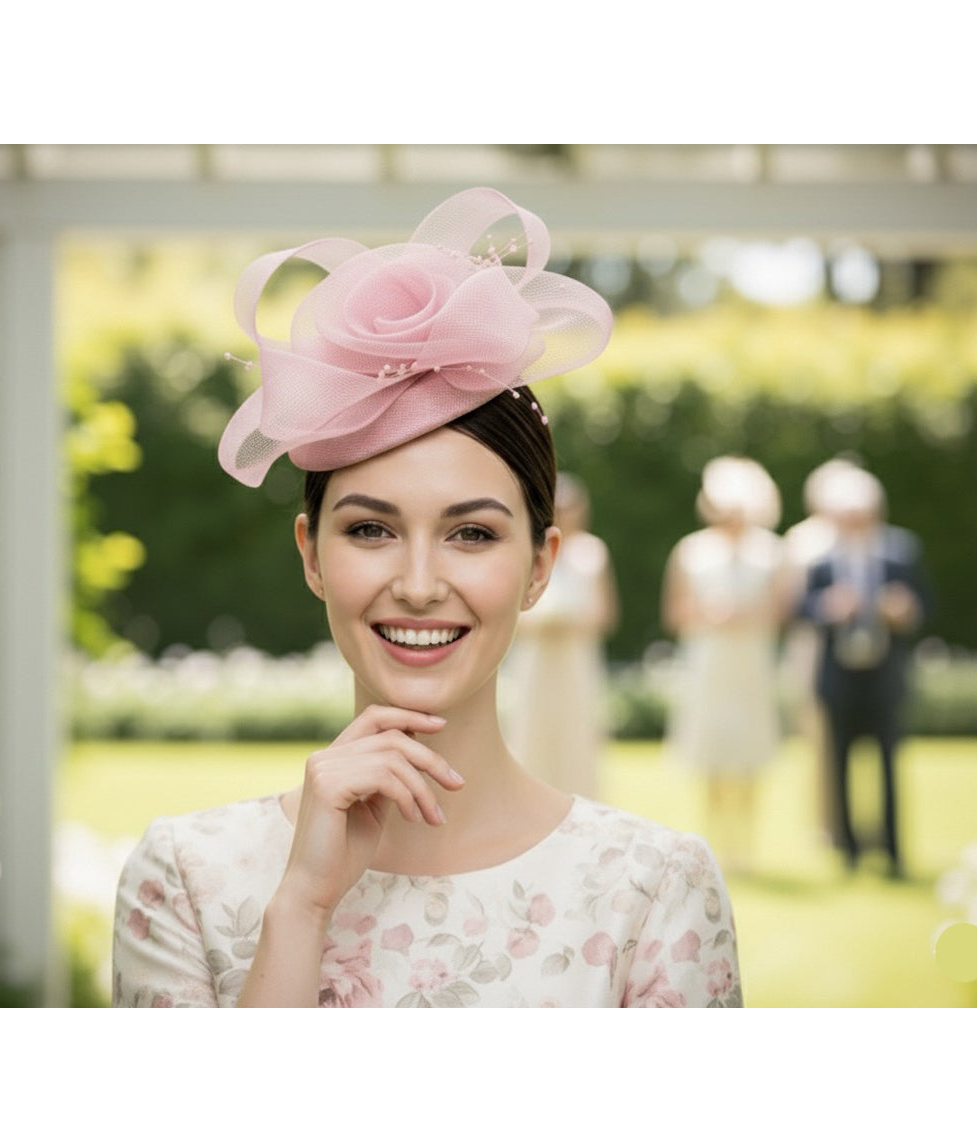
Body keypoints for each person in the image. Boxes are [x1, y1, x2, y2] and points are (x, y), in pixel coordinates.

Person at [111, 187, 742, 1008]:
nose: (416, 585)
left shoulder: (654, 893)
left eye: (471, 534)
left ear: (540, 565)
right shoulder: (186, 881)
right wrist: (299, 909)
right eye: (370, 531)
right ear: (310, 554)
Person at [661, 456, 791, 875]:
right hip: (708, 662)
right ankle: (715, 839)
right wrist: (709, 615)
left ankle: (746, 845)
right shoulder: (691, 549)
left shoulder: (771, 551)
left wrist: (746, 615)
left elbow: (782, 609)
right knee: (711, 752)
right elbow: (675, 611)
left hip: (751, 663)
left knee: (750, 751)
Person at [799, 465, 930, 879]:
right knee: (839, 763)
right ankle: (849, 850)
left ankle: (892, 850)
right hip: (838, 676)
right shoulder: (822, 561)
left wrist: (903, 611)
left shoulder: (900, 553)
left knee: (889, 764)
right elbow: (802, 609)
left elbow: (926, 604)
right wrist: (829, 608)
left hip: (884, 675)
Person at [504, 472, 619, 799]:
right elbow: (511, 616)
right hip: (535, 659)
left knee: (577, 734)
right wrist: (543, 623)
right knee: (531, 732)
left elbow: (605, 614)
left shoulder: (593, 553)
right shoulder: (528, 551)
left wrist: (569, 622)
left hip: (575, 659)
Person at [780, 456, 860, 848]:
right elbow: (790, 600)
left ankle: (847, 822)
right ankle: (824, 820)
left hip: (857, 650)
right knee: (815, 734)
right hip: (811, 648)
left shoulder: (862, 534)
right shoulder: (803, 540)